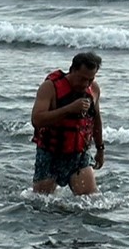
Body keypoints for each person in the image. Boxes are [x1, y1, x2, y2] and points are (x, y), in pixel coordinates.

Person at [30, 52, 105, 196]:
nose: (86, 84)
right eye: (82, 79)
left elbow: (96, 120)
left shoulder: (93, 89)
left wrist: (100, 149)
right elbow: (37, 120)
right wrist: (69, 109)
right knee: (41, 204)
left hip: (78, 155)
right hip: (50, 154)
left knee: (91, 201)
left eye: (90, 79)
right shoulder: (50, 88)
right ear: (72, 70)